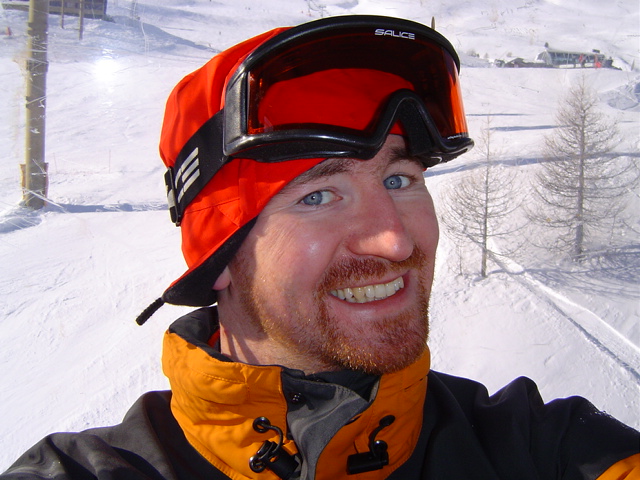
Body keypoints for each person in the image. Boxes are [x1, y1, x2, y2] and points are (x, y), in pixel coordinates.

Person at [2, 15, 639, 480]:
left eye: (400, 179)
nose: (394, 238)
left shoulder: (541, 450)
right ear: (219, 255)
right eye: (318, 195)